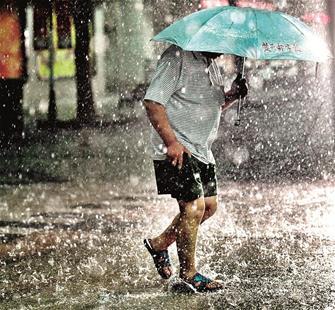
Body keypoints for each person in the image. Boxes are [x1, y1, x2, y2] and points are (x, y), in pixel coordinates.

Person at [143, 45, 248, 293]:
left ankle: (158, 244)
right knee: (193, 207)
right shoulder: (176, 57)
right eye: (220, 44)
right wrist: (171, 142)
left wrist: (232, 95)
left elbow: (209, 106)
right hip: (179, 148)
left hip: (201, 148)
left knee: (209, 207)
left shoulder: (211, 64)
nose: (224, 50)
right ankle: (189, 274)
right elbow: (152, 102)